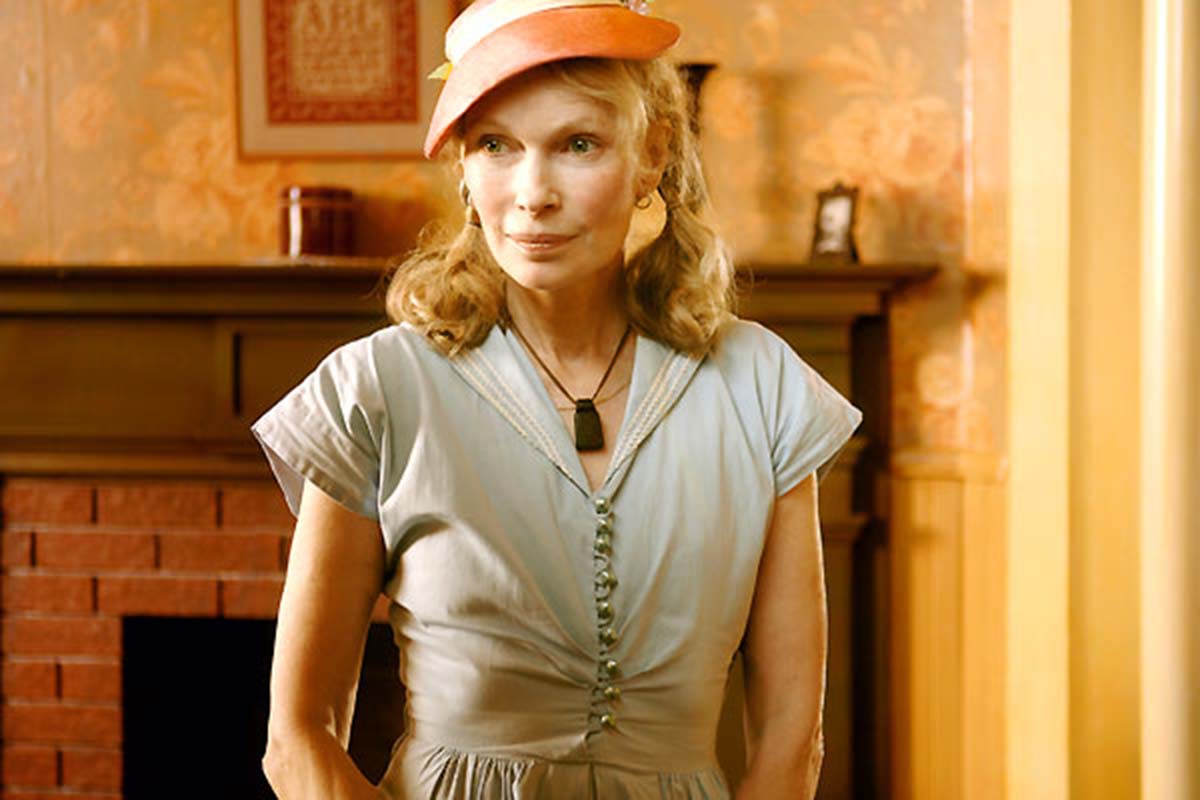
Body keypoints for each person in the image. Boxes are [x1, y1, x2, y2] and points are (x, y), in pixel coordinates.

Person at [252, 1, 862, 798]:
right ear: (463, 168)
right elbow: (298, 739)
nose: (532, 193)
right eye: (495, 145)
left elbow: (791, 740)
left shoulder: (762, 387)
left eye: (578, 145)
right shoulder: (377, 390)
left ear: (652, 156)